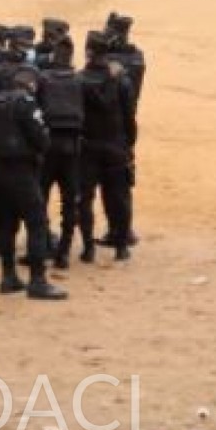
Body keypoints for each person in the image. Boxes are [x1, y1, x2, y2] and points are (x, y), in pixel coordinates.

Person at [0, 67, 67, 300]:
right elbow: (41, 139)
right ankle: (37, 281)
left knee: (7, 226)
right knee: (37, 223)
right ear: (31, 85)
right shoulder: (26, 103)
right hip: (21, 170)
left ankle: (8, 277)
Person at [79, 31, 137, 261]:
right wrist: (129, 144)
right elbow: (129, 117)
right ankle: (121, 246)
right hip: (115, 144)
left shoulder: (79, 79)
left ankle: (88, 247)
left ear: (88, 52)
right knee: (119, 196)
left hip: (87, 145)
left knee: (85, 198)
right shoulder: (121, 80)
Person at [37, 35, 84, 268]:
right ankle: (64, 251)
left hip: (47, 145)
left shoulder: (43, 79)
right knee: (69, 201)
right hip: (72, 146)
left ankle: (44, 244)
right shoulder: (78, 80)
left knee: (40, 198)